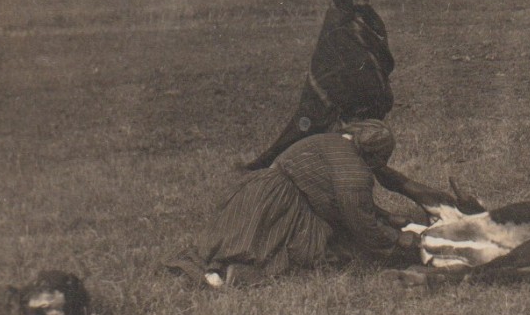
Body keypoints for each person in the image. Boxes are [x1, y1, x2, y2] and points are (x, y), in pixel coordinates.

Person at [171, 120, 419, 288]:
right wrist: (398, 239)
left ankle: (215, 264)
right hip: (281, 205)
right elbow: (360, 223)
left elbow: (338, 200)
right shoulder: (355, 173)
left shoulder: (331, 141)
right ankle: (237, 273)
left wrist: (385, 214)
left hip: (254, 191)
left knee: (233, 239)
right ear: (374, 155)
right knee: (303, 252)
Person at [244, 0, 394, 171]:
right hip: (335, 110)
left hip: (364, 111)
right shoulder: (338, 25)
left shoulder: (371, 20)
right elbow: (339, 76)